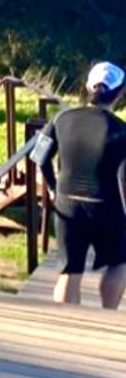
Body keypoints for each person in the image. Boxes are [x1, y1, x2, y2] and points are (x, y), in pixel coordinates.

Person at [31, 62, 126, 308]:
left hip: (67, 205)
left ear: (87, 87)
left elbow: (38, 155)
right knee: (119, 262)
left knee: (69, 270)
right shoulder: (120, 131)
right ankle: (108, 314)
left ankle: (65, 324)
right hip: (106, 208)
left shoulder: (61, 118)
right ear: (120, 92)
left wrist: (52, 187)